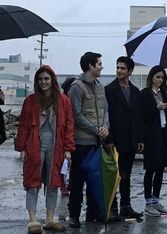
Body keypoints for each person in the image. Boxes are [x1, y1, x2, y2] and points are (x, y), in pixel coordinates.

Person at [15, 65, 75, 233]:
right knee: (32, 182)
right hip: (34, 145)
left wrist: (68, 149)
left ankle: (49, 218)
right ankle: (33, 220)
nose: (43, 82)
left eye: (46, 79)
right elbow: (24, 126)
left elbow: (69, 125)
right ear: (36, 81)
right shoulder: (30, 101)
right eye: (40, 79)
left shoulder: (63, 101)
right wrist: (22, 148)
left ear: (52, 80)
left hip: (57, 146)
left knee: (53, 183)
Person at [68, 52, 109, 228]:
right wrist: (95, 130)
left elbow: (106, 110)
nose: (101, 66)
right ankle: (74, 216)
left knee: (95, 180)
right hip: (81, 142)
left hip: (97, 142)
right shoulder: (76, 87)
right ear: (90, 66)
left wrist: (106, 127)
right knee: (77, 181)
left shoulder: (100, 86)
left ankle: (92, 214)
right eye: (99, 63)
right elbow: (75, 115)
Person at [140, 65, 167, 217]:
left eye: (162, 77)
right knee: (150, 169)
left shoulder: (165, 93)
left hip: (164, 134)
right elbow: (143, 115)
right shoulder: (145, 94)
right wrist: (157, 108)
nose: (160, 80)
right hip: (151, 136)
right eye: (158, 76)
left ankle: (156, 201)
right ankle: (148, 203)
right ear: (152, 77)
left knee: (160, 169)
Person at [105, 56, 144, 219]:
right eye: (118, 67)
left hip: (130, 140)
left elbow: (138, 117)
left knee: (126, 175)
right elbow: (106, 116)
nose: (119, 71)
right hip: (114, 140)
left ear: (130, 71)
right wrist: (108, 140)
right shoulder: (109, 90)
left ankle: (126, 206)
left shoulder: (135, 92)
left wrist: (140, 139)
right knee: (114, 175)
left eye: (122, 68)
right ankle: (112, 208)